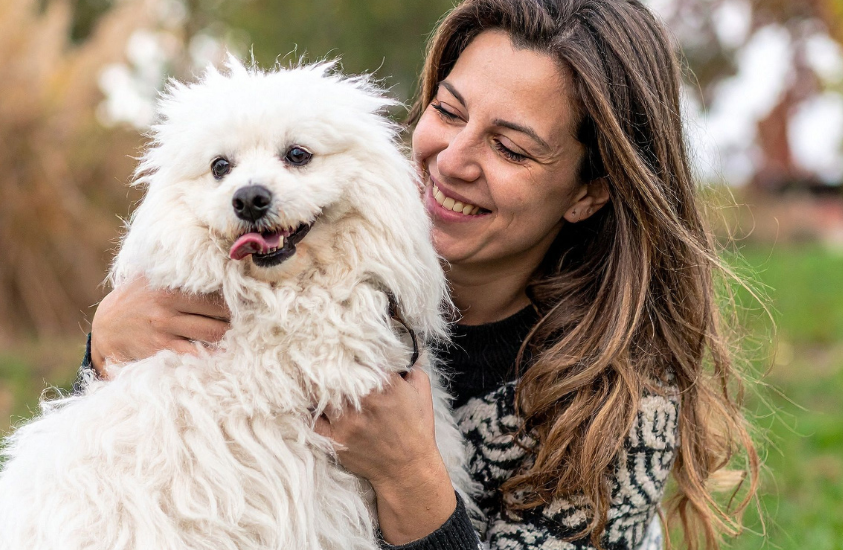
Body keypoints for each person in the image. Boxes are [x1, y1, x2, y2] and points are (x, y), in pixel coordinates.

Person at [79, 0, 760, 548]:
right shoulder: (285, 265)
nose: (450, 160)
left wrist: (410, 477)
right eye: (449, 111)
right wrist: (106, 353)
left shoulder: (620, 408)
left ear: (590, 190)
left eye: (510, 148)